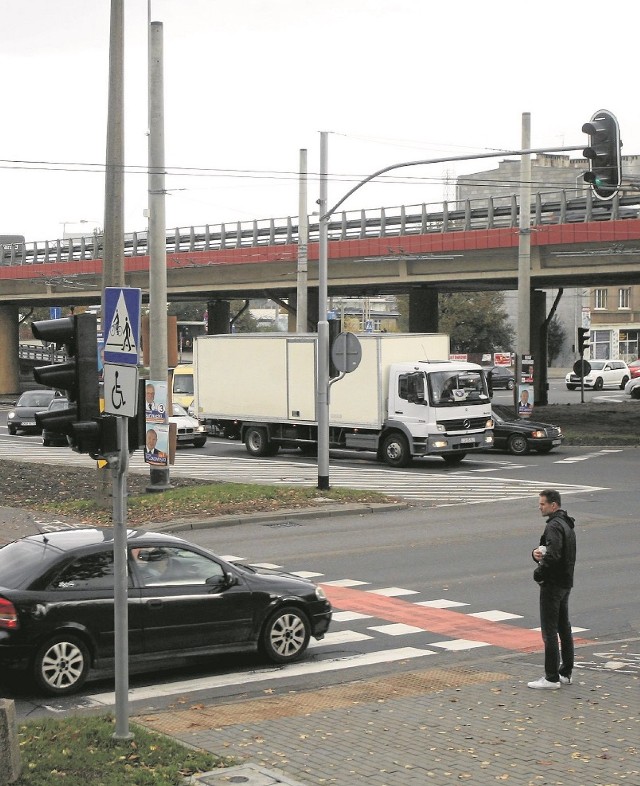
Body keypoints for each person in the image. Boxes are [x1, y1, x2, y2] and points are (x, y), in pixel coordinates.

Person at [527, 489, 576, 690]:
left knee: (549, 632)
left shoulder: (554, 526)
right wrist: (536, 554)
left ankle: (551, 677)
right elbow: (551, 551)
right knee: (564, 627)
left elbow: (553, 555)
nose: (540, 507)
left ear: (553, 505)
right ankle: (566, 673)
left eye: (542, 504)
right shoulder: (566, 523)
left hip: (553, 584)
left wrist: (539, 574)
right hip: (565, 582)